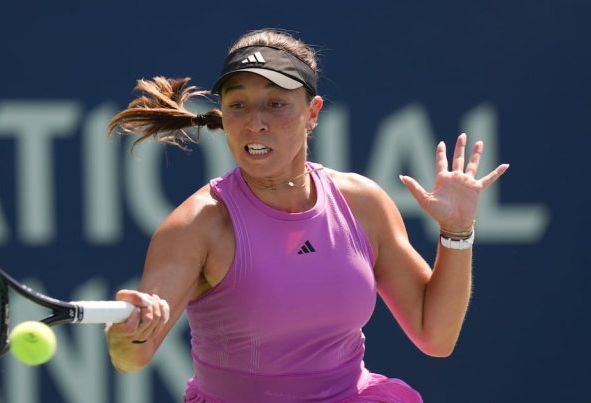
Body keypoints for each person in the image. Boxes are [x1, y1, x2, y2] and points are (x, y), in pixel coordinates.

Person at [104, 28, 509, 403]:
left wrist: (457, 232)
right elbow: (131, 358)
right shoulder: (197, 226)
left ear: (312, 112)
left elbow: (435, 335)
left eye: (275, 104)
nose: (254, 122)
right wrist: (130, 333)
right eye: (238, 105)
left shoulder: (362, 203)